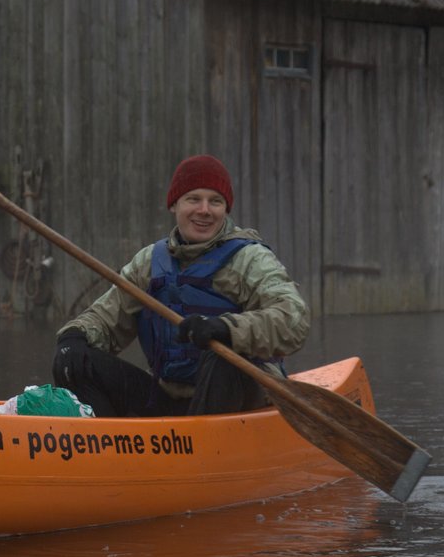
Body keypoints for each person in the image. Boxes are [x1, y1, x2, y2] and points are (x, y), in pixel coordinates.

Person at [51, 154, 308, 418]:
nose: (205, 210)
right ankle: (105, 449)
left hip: (240, 399)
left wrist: (226, 329)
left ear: (226, 210)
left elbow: (294, 320)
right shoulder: (150, 262)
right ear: (175, 205)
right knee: (73, 358)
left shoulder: (250, 259)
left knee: (224, 358)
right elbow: (104, 319)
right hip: (170, 399)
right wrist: (75, 334)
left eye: (215, 202)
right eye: (194, 199)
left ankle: (208, 452)